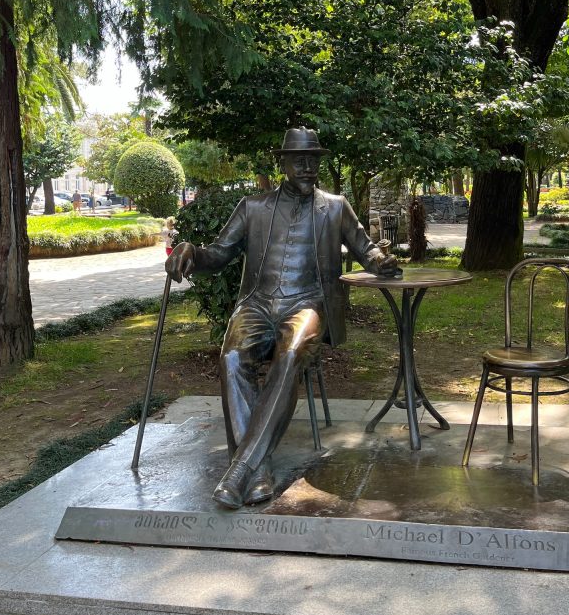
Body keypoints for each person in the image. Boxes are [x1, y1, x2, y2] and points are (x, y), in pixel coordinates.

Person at [166, 127, 400, 510]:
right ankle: (257, 472)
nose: (308, 168)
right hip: (258, 303)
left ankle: (240, 469)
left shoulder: (335, 206)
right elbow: (220, 253)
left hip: (308, 304)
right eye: (299, 161)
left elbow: (366, 250)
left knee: (290, 354)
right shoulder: (253, 207)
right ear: (284, 164)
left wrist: (382, 262)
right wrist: (191, 251)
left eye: (313, 161)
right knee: (231, 357)